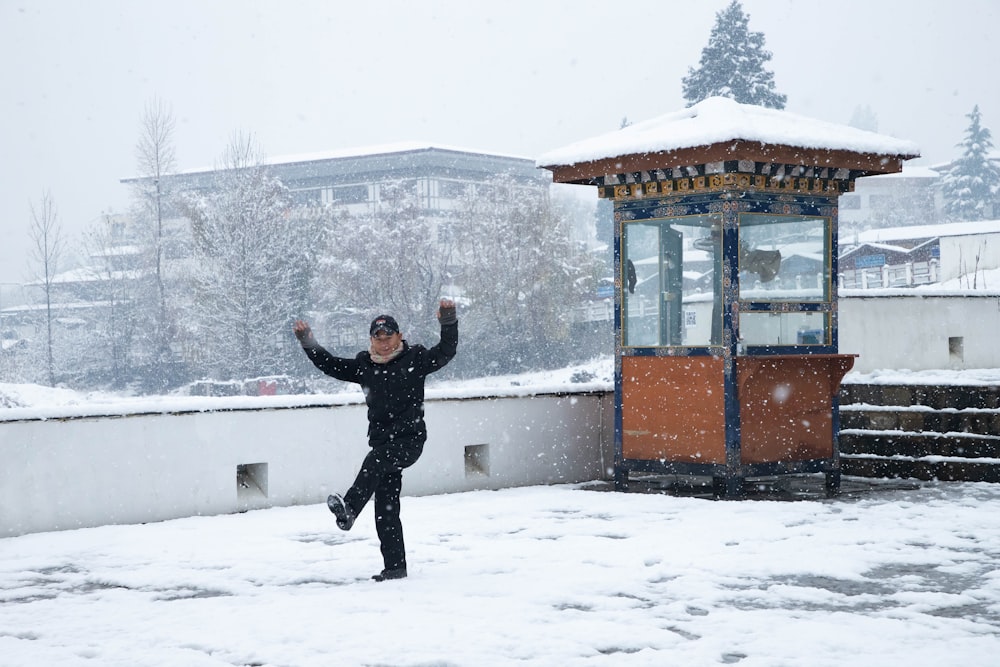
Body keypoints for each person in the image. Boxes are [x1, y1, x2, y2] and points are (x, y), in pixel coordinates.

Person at [293, 299, 458, 582]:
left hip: (409, 442)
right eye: (377, 337)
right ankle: (395, 567)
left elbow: (446, 351)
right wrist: (308, 341)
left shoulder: (415, 359)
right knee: (386, 509)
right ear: (372, 340)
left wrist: (448, 321)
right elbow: (330, 365)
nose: (383, 342)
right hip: (382, 444)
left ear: (399, 336)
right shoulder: (365, 366)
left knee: (375, 461)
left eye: (388, 336)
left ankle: (349, 509)